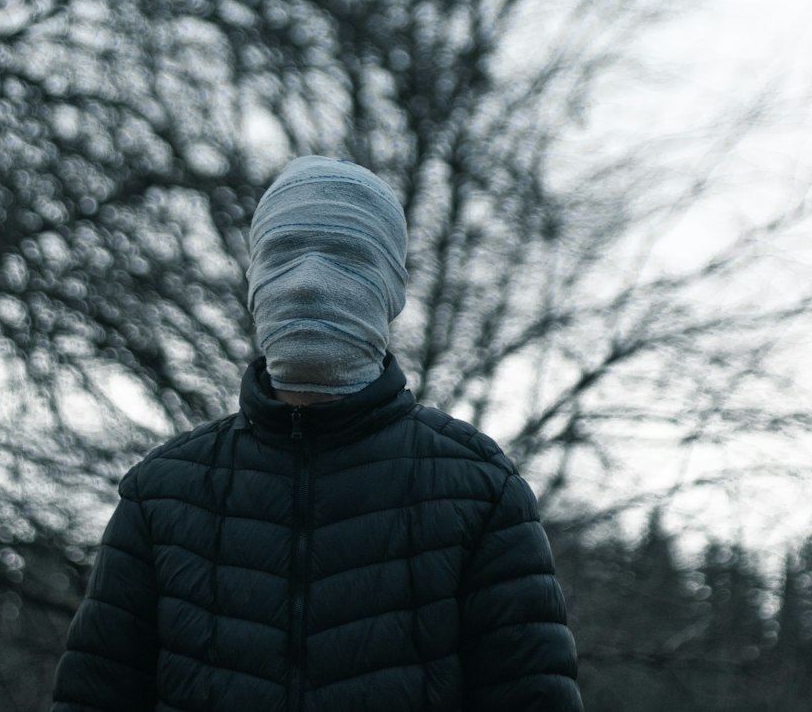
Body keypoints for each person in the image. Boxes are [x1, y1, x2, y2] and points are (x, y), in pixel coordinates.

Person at [51, 155, 582, 711]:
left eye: (345, 257)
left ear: (392, 288)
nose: (307, 283)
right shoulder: (161, 495)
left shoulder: (477, 489)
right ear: (253, 280)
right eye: (283, 254)